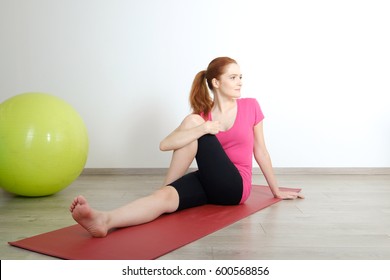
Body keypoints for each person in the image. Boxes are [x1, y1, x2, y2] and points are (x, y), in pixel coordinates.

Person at [69, 57, 304, 237]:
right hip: (209, 180)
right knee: (166, 194)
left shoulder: (250, 106)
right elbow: (165, 145)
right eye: (233, 77)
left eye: (240, 76)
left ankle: (163, 188)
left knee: (194, 124)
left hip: (235, 187)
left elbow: (260, 151)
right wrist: (204, 127)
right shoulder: (203, 117)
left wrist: (276, 191)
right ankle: (105, 220)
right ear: (216, 82)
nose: (240, 82)